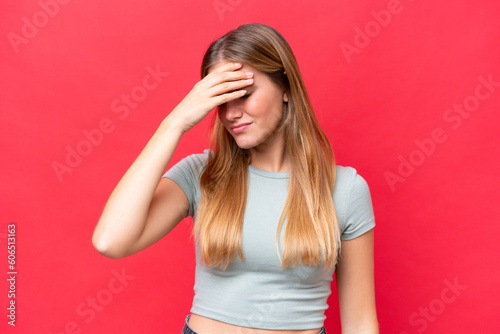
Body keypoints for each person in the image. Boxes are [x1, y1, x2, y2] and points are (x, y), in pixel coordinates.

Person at [92, 23, 379, 334]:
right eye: (221, 100)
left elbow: (360, 322)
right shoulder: (202, 174)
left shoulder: (345, 189)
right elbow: (111, 241)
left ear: (285, 87)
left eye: (243, 94)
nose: (230, 113)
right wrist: (174, 123)